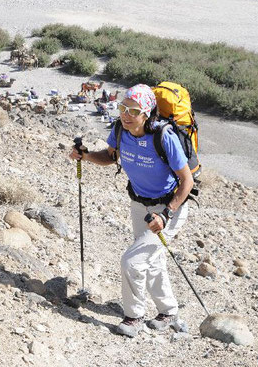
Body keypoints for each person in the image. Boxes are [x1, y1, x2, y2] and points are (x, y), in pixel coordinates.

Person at [68, 84, 194, 338]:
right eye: (123, 108)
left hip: (169, 207)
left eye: (133, 111)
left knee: (132, 260)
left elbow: (187, 181)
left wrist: (166, 214)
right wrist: (87, 156)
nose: (126, 114)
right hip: (139, 204)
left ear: (146, 113)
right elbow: (111, 156)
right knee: (151, 259)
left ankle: (133, 316)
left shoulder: (163, 137)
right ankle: (168, 311)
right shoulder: (120, 130)